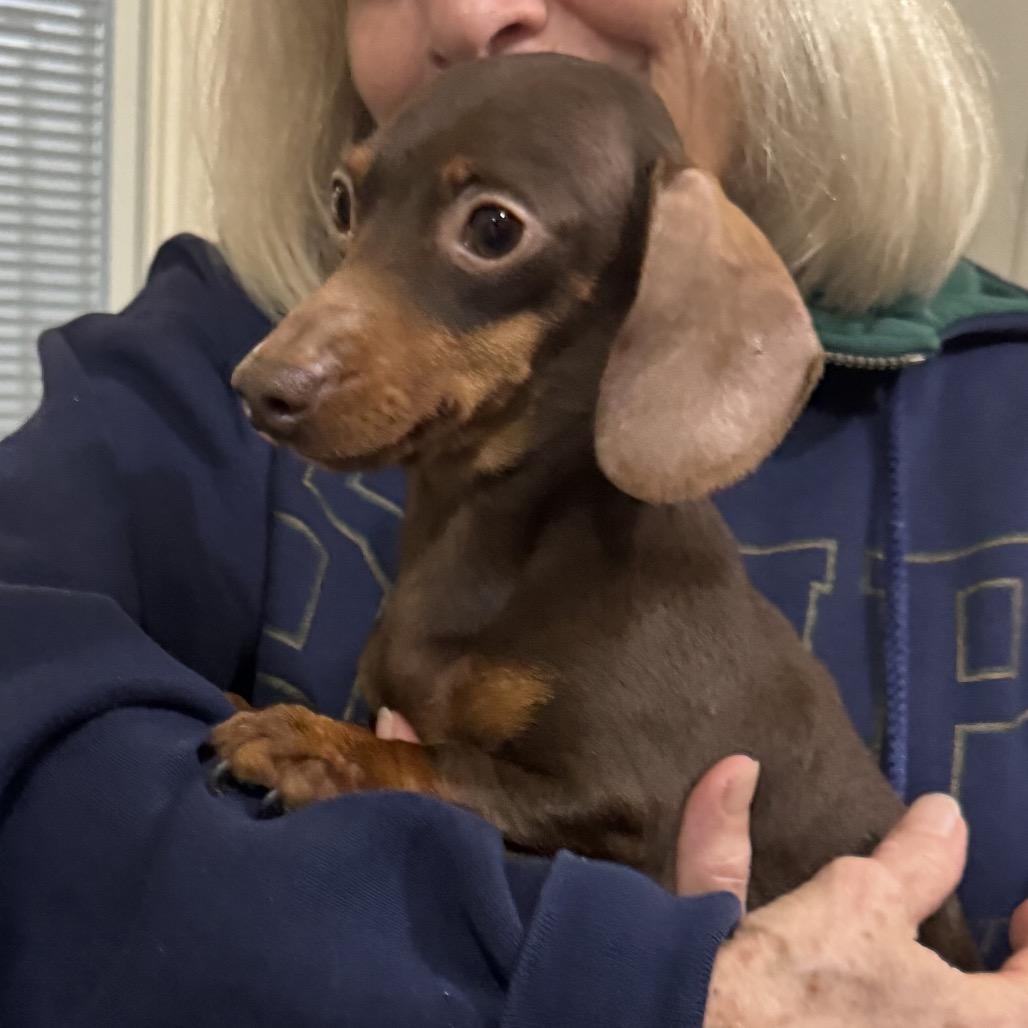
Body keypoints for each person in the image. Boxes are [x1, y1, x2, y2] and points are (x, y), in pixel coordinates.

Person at [1, 0, 1026, 1024]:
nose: (469, 10)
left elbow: (602, 795)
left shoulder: (995, 411)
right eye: (349, 209)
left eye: (491, 228)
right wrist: (658, 986)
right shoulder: (180, 373)